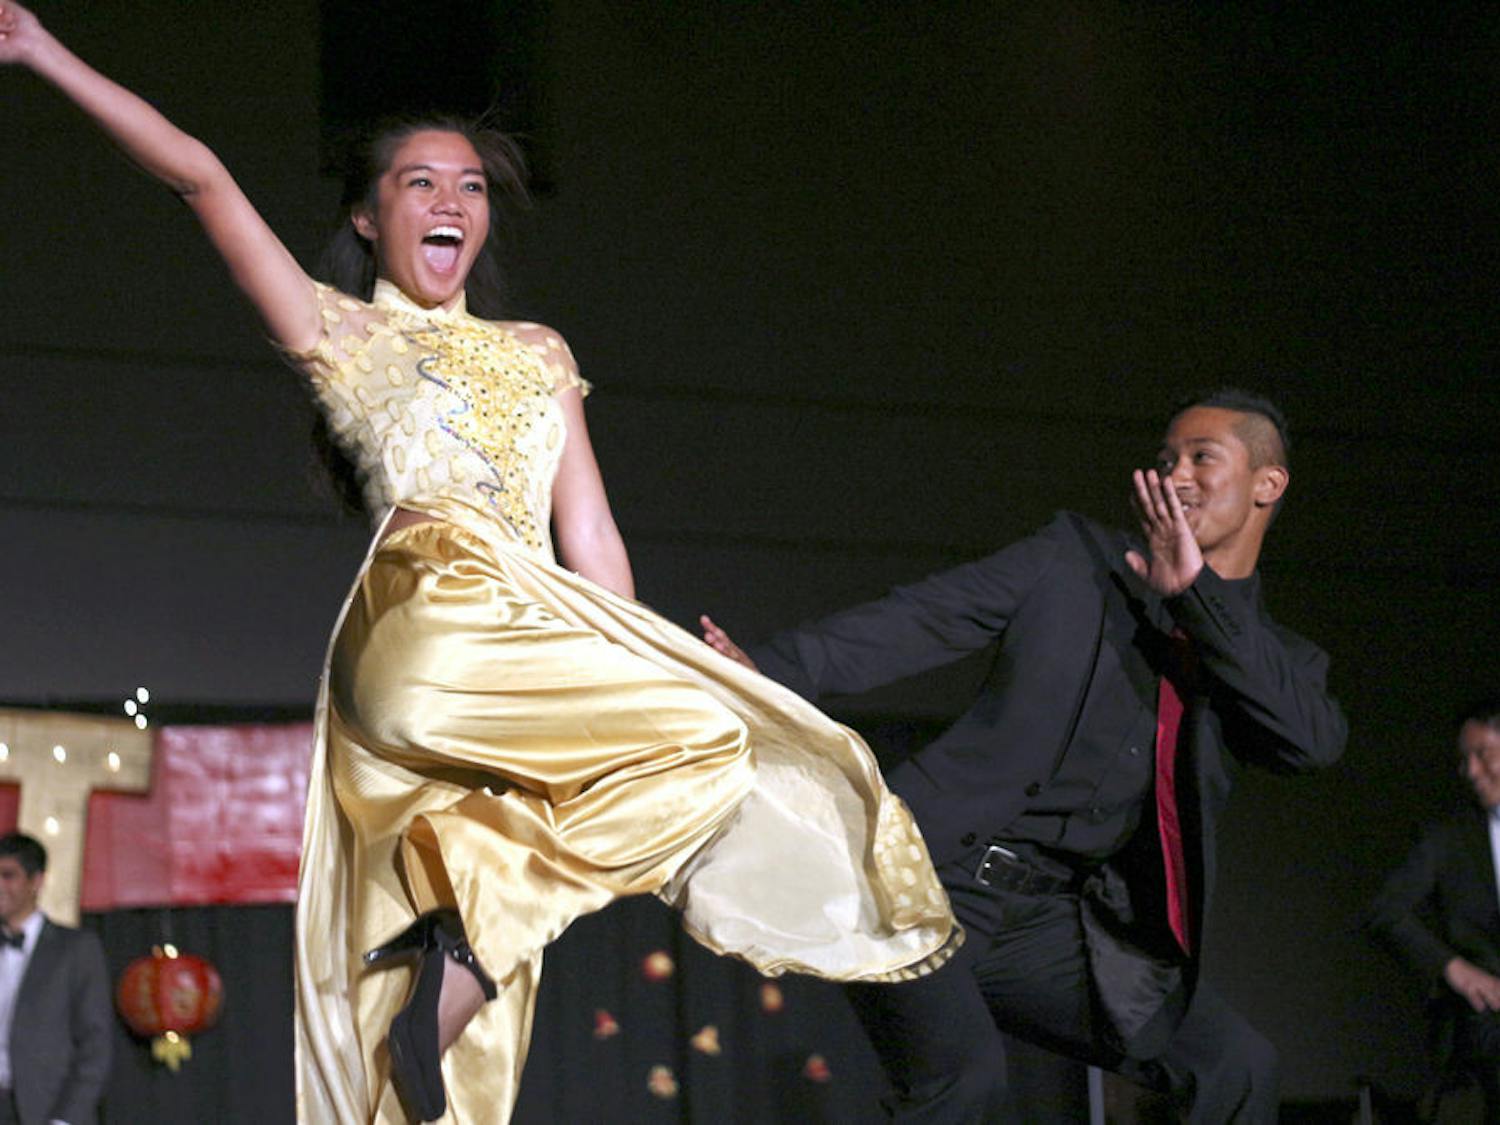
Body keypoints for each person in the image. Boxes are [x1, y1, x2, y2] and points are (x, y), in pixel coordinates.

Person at [0, 5, 958, 1123]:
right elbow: (204, 180)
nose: (451, 201)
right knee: (705, 738)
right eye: (419, 183)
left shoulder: (540, 352)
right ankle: (474, 935)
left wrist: (636, 657)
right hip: (436, 622)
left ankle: (454, 967)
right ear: (366, 217)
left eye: (472, 186)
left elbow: (589, 531)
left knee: (500, 997)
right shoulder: (343, 335)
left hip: (524, 634)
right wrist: (42, 54)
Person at [703, 389, 1348, 1121]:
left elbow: (1309, 742)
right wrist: (768, 672)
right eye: (1167, 459)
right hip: (922, 873)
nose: (1177, 476)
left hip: (1053, 923)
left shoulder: (1274, 661)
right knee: (965, 1082)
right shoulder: (1076, 560)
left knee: (1233, 1063)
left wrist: (1198, 597)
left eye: (1204, 458)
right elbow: (924, 616)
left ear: (1269, 484)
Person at [1368, 701, 1500, 1120]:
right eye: (1465, 760)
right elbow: (1385, 911)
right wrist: (1455, 969)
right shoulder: (1449, 839)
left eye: (1483, 755)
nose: (1472, 772)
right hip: (1485, 1018)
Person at [0, 833, 112, 1125]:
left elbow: (96, 1044)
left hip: (46, 1111)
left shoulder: (75, 948)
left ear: (36, 881)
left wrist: (67, 1119)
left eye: (8, 875)